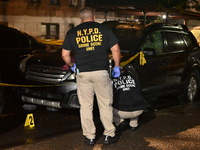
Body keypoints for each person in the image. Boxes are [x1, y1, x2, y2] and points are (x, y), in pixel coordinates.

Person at [61, 7, 121, 145]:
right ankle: (109, 135)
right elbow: (116, 49)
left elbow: (65, 54)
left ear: (80, 18)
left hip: (82, 73)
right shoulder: (104, 29)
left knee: (86, 106)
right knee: (105, 104)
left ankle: (89, 137)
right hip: (101, 72)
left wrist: (71, 65)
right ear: (94, 17)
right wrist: (117, 66)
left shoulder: (73, 32)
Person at [112, 69, 147, 133]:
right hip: (138, 110)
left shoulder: (112, 79)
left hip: (121, 112)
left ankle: (120, 122)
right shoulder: (134, 77)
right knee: (134, 99)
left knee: (107, 107)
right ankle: (134, 124)